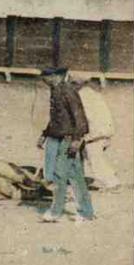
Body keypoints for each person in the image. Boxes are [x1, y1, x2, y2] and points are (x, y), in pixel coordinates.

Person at [37, 67, 94, 223]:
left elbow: (80, 117)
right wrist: (45, 134)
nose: (43, 81)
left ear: (54, 76)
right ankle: (86, 212)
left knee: (59, 175)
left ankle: (56, 212)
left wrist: (77, 139)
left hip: (69, 139)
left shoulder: (67, 91)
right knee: (75, 176)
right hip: (62, 137)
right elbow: (58, 119)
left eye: (45, 78)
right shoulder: (56, 90)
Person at [70, 73, 120, 190]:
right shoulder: (92, 94)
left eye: (73, 84)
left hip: (97, 132)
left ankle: (112, 183)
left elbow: (86, 117)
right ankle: (110, 175)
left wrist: (83, 134)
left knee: (95, 158)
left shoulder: (83, 96)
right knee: (92, 156)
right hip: (103, 130)